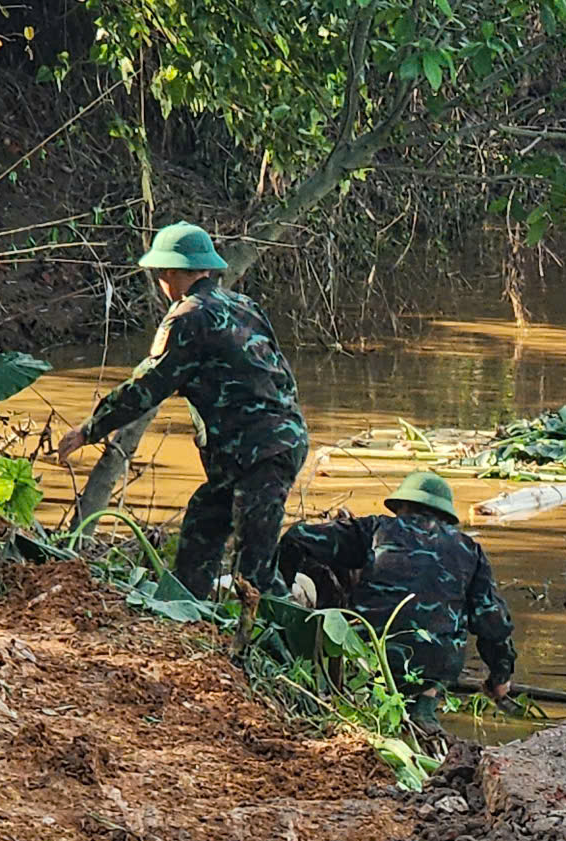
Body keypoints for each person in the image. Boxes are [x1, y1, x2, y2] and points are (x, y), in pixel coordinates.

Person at [51, 222, 310, 600]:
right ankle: (185, 612)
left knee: (254, 572)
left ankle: (289, 646)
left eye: (160, 275)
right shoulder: (243, 304)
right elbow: (282, 374)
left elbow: (146, 387)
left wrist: (89, 429)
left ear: (170, 275)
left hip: (259, 455)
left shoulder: (187, 316)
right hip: (268, 444)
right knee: (202, 526)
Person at [275, 472, 517, 726]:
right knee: (441, 652)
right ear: (446, 516)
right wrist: (500, 677)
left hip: (371, 656)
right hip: (436, 665)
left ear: (400, 506)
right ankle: (425, 706)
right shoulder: (469, 550)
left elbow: (298, 537)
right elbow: (492, 622)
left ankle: (364, 698)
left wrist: (284, 594)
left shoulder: (375, 530)